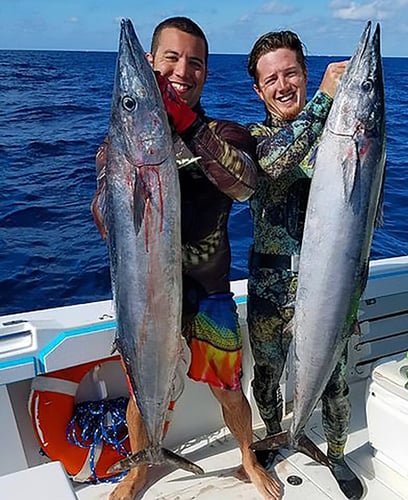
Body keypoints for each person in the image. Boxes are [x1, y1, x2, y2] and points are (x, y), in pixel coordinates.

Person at [92, 16, 281, 500]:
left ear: (206, 73)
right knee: (141, 388)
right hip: (146, 297)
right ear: (153, 63)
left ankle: (246, 457)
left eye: (195, 62)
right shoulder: (119, 146)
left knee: (229, 389)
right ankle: (142, 463)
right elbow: (105, 222)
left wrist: (187, 123)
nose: (183, 69)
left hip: (209, 292)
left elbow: (244, 185)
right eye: (171, 58)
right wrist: (118, 174)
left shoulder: (227, 134)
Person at [246, 30, 364, 500]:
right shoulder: (254, 140)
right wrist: (323, 102)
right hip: (270, 286)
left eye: (291, 72)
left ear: (305, 73)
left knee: (334, 384)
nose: (282, 85)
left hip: (330, 287)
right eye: (270, 78)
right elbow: (275, 164)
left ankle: (335, 454)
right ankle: (279, 437)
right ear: (259, 90)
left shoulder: (336, 137)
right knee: (268, 376)